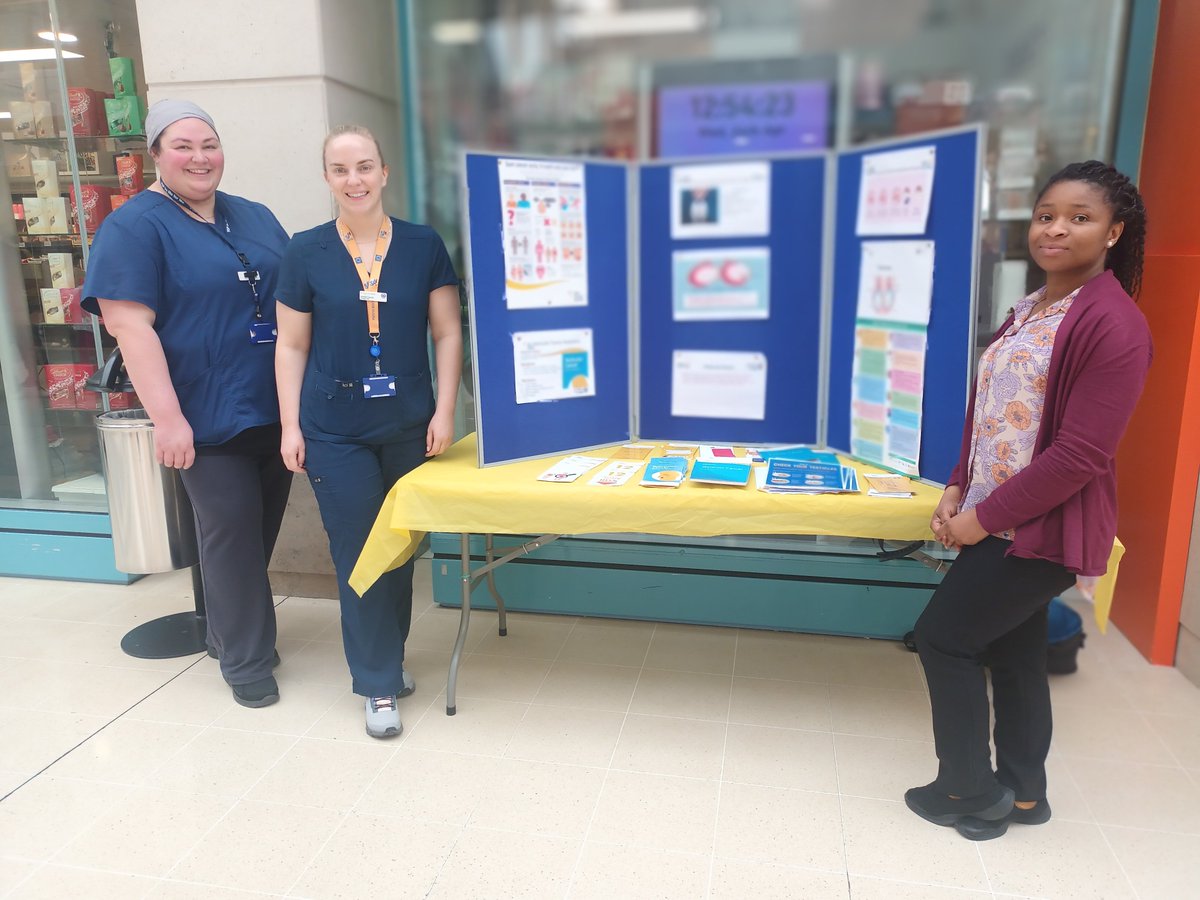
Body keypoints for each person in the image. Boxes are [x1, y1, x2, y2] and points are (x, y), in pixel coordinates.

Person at [905, 160, 1152, 841]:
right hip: (991, 514)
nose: (1056, 229)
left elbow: (1080, 455)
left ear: (1113, 232)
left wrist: (980, 521)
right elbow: (989, 412)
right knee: (1012, 653)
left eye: (1080, 217)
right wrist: (958, 485)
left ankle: (967, 789)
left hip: (1035, 529)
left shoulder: (1114, 324)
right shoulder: (1031, 308)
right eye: (1047, 215)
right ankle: (1022, 794)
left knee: (944, 638)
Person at [82, 100, 293, 708]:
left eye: (210, 144)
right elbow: (132, 327)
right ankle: (248, 662)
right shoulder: (133, 226)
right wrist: (169, 420)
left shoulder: (252, 214)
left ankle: (231, 636)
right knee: (229, 533)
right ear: (155, 154)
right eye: (183, 146)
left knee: (258, 534)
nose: (200, 158)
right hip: (203, 417)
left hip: (271, 406)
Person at [274, 125, 461, 739]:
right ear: (326, 178)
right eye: (339, 169)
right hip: (335, 429)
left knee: (401, 551)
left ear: (384, 173)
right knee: (360, 555)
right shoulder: (305, 251)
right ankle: (377, 684)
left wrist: (444, 411)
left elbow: (448, 332)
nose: (353, 180)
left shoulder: (421, 243)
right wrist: (290, 424)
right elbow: (292, 345)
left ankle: (389, 658)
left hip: (410, 424)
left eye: (364, 167)